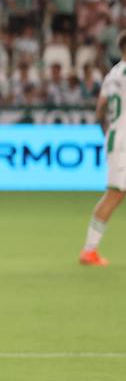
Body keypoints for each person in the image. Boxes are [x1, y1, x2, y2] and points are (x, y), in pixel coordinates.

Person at [80, 33, 126, 266]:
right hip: (124, 142)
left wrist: (109, 136)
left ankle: (90, 250)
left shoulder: (112, 75)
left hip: (116, 138)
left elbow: (100, 113)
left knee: (117, 193)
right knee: (115, 193)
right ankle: (89, 251)